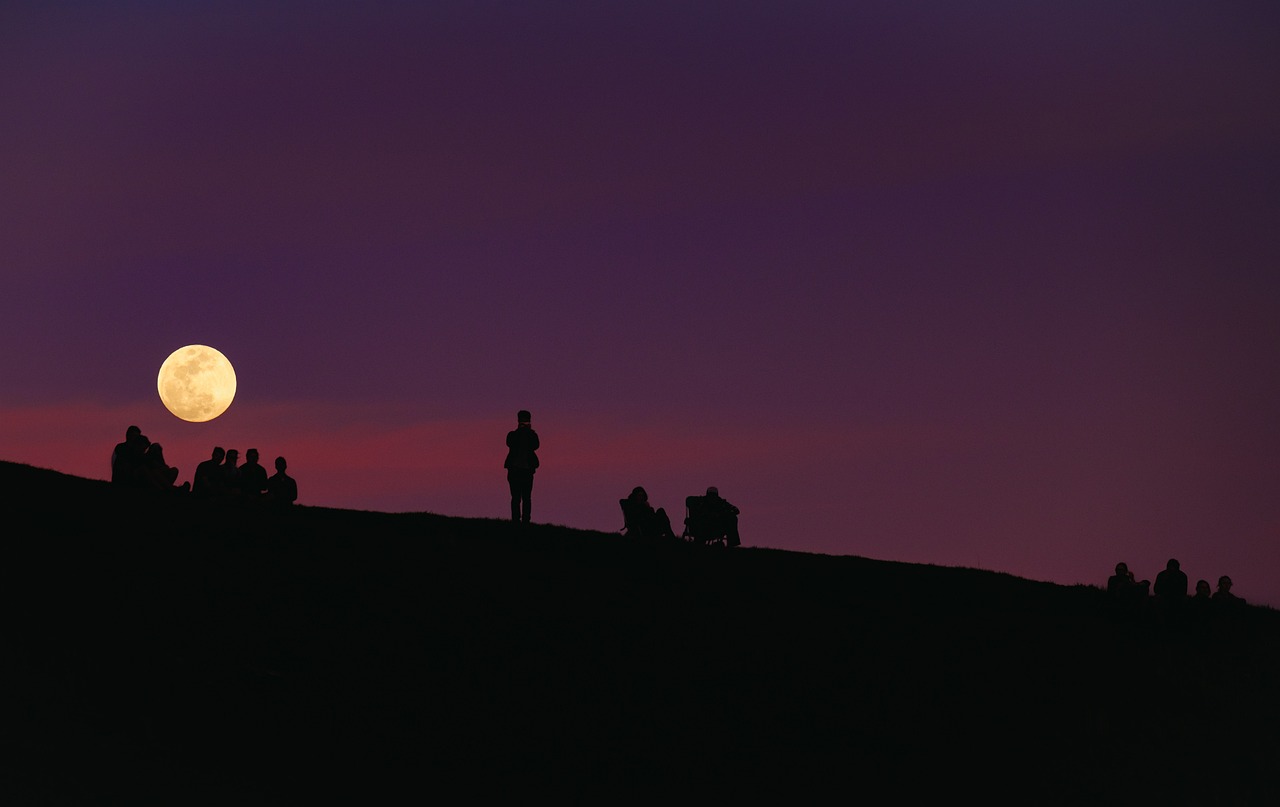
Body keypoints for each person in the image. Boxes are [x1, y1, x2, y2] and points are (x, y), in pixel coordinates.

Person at [503, 409, 539, 523]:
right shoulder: (531, 435)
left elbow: (509, 443)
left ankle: (516, 520)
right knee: (526, 498)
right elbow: (536, 445)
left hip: (515, 471)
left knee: (516, 498)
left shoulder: (513, 435)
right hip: (526, 471)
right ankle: (525, 520)